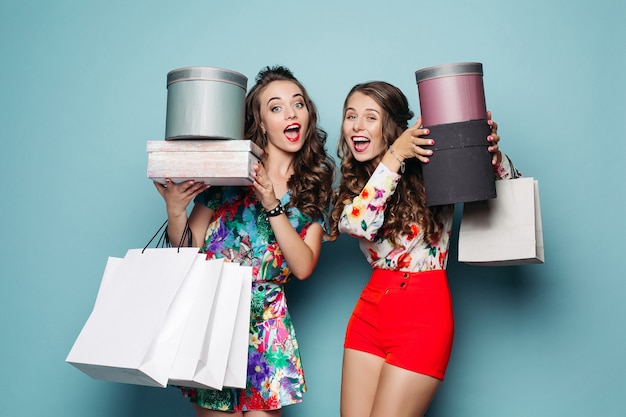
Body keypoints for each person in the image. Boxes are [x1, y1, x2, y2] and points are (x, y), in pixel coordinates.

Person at [327, 81, 521, 417]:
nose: (357, 125)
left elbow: (511, 189)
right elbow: (359, 223)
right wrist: (394, 156)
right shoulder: (356, 182)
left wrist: (489, 153)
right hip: (370, 312)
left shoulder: (433, 166)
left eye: (370, 117)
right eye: (350, 116)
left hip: (423, 314)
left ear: (392, 127)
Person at [154, 65, 335, 416]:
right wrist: (176, 210)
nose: (290, 113)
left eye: (298, 104)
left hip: (267, 323)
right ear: (261, 122)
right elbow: (187, 251)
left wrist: (271, 203)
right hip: (213, 314)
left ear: (308, 115)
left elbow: (302, 266)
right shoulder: (229, 174)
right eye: (276, 107)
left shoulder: (313, 185)